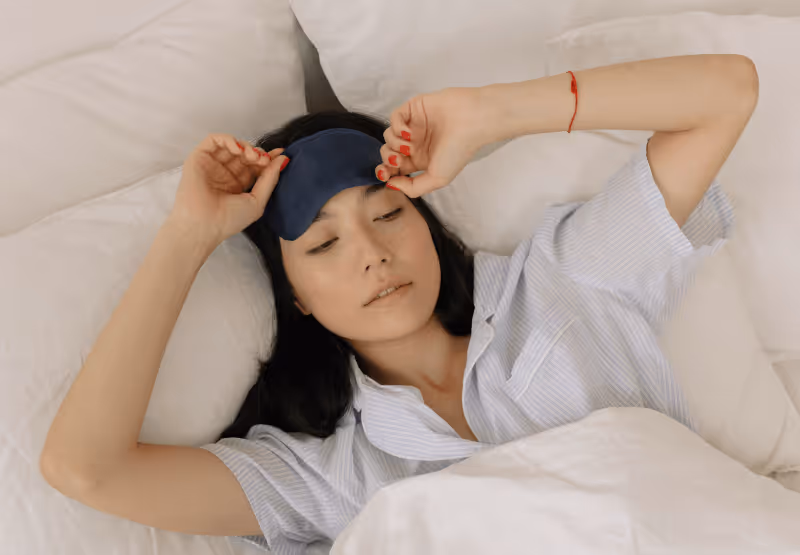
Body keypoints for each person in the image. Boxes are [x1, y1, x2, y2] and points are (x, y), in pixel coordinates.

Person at [40, 54, 757, 553]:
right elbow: (84, 468)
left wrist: (493, 113)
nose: (372, 254)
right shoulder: (322, 474)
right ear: (298, 298)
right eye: (323, 245)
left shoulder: (565, 281)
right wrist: (187, 235)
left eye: (387, 214)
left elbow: (728, 92)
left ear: (427, 222)